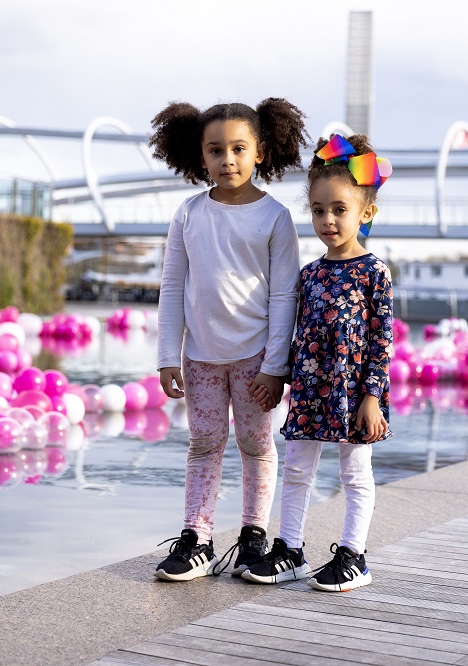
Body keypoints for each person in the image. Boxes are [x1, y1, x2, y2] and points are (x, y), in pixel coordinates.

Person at [150, 98, 309, 582]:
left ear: (259, 152)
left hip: (257, 357)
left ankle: (253, 536)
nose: (228, 160)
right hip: (199, 358)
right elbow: (172, 286)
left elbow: (286, 295)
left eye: (239, 149)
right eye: (215, 150)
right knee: (204, 443)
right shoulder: (188, 214)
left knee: (256, 445)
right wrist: (166, 356)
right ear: (200, 157)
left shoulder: (275, 217)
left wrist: (275, 365)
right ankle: (196, 538)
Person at [244, 133, 394, 593]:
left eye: (339, 209)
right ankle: (290, 549)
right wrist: (278, 375)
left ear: (366, 212)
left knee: (354, 474)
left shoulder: (375, 273)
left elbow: (381, 341)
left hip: (355, 394)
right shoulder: (308, 274)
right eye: (318, 209)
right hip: (309, 392)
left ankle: (353, 556)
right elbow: (298, 335)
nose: (327, 220)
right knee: (296, 471)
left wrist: (373, 398)